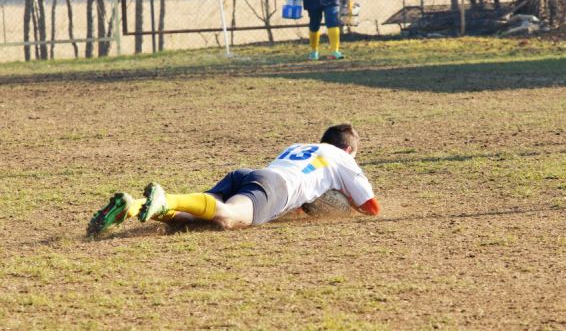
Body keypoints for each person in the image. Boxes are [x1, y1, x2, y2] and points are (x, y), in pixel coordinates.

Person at [87, 124, 380, 235]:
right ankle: (166, 199)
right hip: (276, 187)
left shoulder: (299, 147)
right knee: (227, 217)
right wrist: (338, 206)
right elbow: (370, 207)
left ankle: (132, 206)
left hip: (249, 176)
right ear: (349, 149)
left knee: (196, 220)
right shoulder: (342, 156)